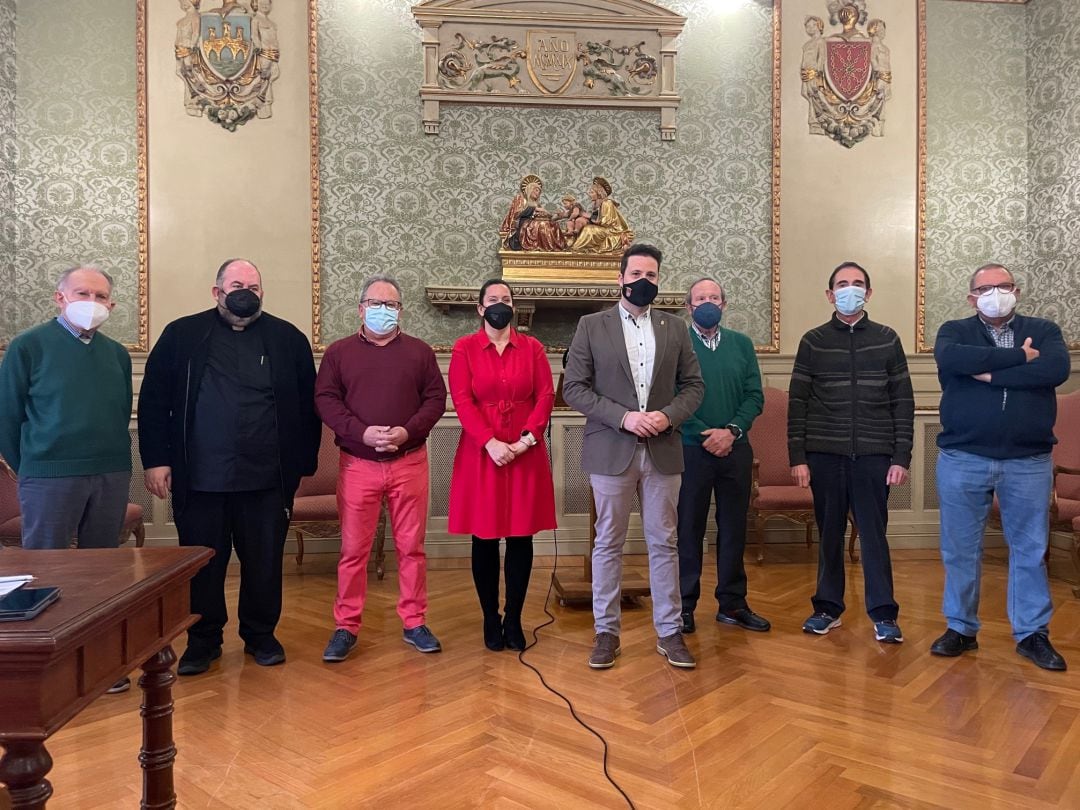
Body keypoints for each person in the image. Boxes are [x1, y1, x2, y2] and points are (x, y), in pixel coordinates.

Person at [138, 258, 320, 675]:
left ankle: (260, 635)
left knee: (264, 561)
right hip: (199, 476)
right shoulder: (181, 335)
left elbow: (308, 409)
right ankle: (203, 641)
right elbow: (153, 402)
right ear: (216, 291)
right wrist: (156, 460)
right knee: (204, 563)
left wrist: (301, 466)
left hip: (267, 478)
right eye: (237, 284)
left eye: (254, 287)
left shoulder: (287, 338)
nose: (245, 292)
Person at [563, 243, 705, 669]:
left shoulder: (675, 328)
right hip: (612, 449)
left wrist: (666, 415)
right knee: (608, 543)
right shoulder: (592, 325)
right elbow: (574, 388)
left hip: (663, 451)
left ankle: (670, 631)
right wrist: (624, 418)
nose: (645, 281)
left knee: (665, 542)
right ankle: (606, 632)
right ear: (620, 278)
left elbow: (694, 387)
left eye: (653, 275)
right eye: (637, 273)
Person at [0, 265, 133, 693]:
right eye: (82, 293)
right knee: (45, 568)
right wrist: (34, 466)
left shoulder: (117, 354)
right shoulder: (28, 347)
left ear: (111, 305)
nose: (90, 303)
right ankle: (44, 669)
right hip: (48, 476)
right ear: (60, 298)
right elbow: (7, 416)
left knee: (101, 572)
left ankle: (99, 661)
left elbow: (117, 413)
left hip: (110, 473)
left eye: (100, 296)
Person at [931, 263, 1070, 671]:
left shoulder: (1044, 330)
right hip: (963, 457)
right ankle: (961, 628)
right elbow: (951, 359)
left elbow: (1055, 369)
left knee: (1029, 550)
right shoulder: (954, 331)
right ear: (971, 296)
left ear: (1017, 291)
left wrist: (989, 374)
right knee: (960, 550)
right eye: (985, 288)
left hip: (1028, 460)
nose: (995, 293)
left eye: (1003, 286)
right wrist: (1019, 359)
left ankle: (1031, 634)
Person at [317, 275, 447, 662]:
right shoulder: (338, 353)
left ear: (400, 311)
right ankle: (346, 626)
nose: (383, 311)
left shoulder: (420, 353)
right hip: (358, 464)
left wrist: (406, 431)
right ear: (360, 309)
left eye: (391, 305)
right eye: (376, 304)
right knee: (353, 550)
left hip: (409, 461)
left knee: (412, 549)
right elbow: (325, 400)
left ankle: (414, 621)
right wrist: (362, 432)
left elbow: (435, 399)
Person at [788, 261, 913, 643]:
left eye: (857, 284)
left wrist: (901, 457)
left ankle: (884, 614)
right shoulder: (813, 341)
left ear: (869, 293)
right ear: (829, 295)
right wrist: (798, 458)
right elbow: (798, 402)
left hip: (875, 455)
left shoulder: (888, 339)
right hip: (825, 454)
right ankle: (827, 608)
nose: (850, 289)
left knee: (874, 535)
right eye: (842, 284)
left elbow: (903, 401)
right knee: (829, 535)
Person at [448, 281, 557, 652]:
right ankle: (489, 618)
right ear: (480, 309)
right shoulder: (464, 348)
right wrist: (491, 442)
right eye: (493, 300)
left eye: (506, 300)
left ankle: (513, 619)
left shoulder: (533, 347)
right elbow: (462, 400)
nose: (500, 305)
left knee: (521, 536)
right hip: (483, 453)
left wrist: (527, 439)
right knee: (485, 536)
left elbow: (545, 394)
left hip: (525, 451)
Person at [676, 278, 766, 635]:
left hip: (736, 448)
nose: (708, 302)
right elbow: (672, 394)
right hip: (689, 450)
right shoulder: (677, 343)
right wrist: (705, 433)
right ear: (689, 307)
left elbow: (754, 396)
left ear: (724, 305)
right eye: (701, 298)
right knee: (688, 529)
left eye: (714, 297)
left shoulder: (742, 345)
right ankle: (684, 605)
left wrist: (731, 431)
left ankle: (732, 604)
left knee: (733, 528)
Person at [500, 174, 565, 252]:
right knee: (542, 225)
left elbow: (546, 217)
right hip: (523, 225)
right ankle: (546, 247)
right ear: (530, 189)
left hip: (534, 224)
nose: (538, 193)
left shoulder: (536, 203)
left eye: (539, 192)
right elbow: (517, 213)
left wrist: (557, 216)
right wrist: (535, 209)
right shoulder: (521, 199)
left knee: (554, 225)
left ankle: (554, 247)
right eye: (536, 190)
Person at [570, 177, 633, 254]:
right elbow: (594, 219)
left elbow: (605, 222)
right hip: (604, 229)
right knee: (584, 225)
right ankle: (576, 246)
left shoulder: (607, 203)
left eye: (592, 192)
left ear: (599, 193)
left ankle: (577, 248)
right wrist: (582, 215)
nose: (589, 194)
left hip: (612, 231)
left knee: (589, 229)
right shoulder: (597, 205)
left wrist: (584, 214)